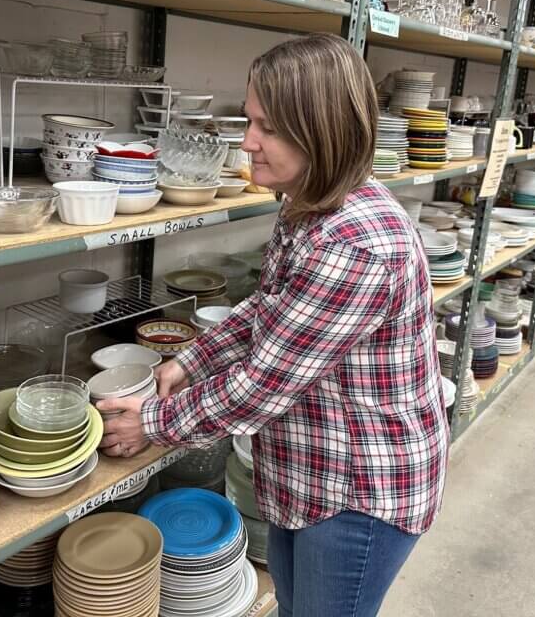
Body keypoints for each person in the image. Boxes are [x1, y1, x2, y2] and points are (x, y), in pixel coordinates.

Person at [96, 34, 448, 617]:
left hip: (358, 489)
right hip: (309, 467)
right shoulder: (307, 202)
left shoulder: (354, 244)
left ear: (323, 132)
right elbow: (272, 308)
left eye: (269, 128)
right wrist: (190, 361)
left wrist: (152, 423)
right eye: (250, 120)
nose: (247, 142)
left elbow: (263, 385)